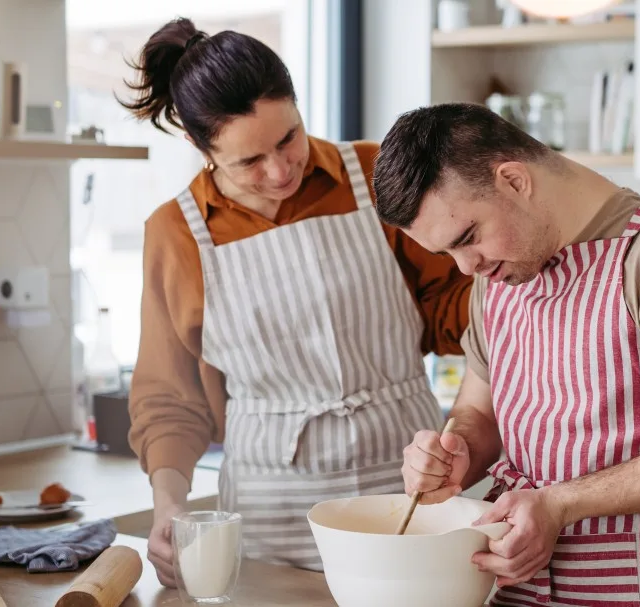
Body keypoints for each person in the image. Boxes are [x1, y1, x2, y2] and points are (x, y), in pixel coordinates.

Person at [119, 20, 472, 586]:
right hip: (270, 513)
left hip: (407, 486)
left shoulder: (373, 174)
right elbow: (169, 397)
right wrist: (169, 506)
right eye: (249, 161)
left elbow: (453, 305)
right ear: (197, 145)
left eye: (289, 137)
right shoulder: (176, 233)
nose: (280, 170)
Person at [372, 102, 640, 607]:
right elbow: (478, 411)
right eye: (448, 253)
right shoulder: (499, 273)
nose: (467, 267)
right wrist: (456, 453)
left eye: (468, 238)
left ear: (514, 180)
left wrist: (559, 504)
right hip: (517, 592)